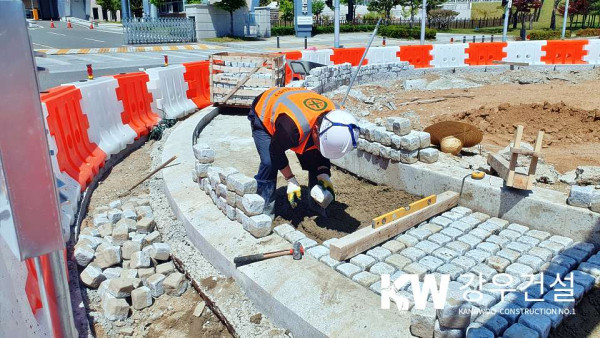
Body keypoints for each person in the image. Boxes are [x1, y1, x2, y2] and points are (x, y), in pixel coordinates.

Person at [247, 87, 360, 216]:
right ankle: (263, 209)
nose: (320, 147)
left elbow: (321, 151)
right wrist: (290, 179)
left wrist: (323, 174)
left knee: (314, 153)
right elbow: (275, 150)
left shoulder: (339, 119)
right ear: (316, 129)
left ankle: (317, 207)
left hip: (297, 104)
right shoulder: (290, 130)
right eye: (321, 143)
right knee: (269, 163)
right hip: (264, 110)